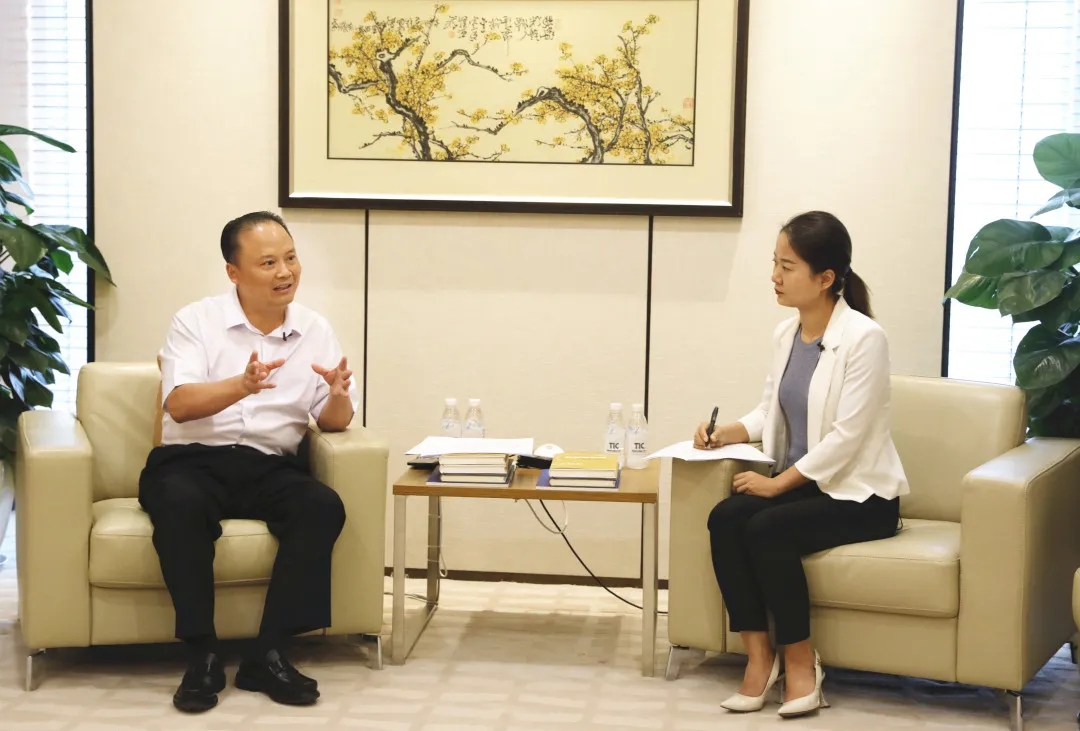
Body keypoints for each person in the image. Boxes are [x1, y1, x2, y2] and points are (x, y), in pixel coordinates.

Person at [139, 211, 357, 713]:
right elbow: (179, 404)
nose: (285, 272)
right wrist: (241, 385)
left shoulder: (315, 329)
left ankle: (268, 652)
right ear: (233, 272)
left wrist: (338, 395)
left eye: (291, 258)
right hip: (189, 461)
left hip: (267, 465)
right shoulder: (195, 321)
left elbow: (333, 423)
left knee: (321, 506)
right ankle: (202, 653)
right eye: (268, 262)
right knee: (180, 504)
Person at [693, 211, 908, 718]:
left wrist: (777, 485)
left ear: (825, 277)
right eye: (775, 263)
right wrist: (725, 433)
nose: (774, 276)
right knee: (725, 517)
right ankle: (758, 657)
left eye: (787, 266)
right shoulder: (785, 334)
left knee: (767, 527)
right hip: (808, 490)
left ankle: (800, 662)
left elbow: (847, 437)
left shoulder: (865, 338)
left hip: (860, 495)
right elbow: (771, 410)